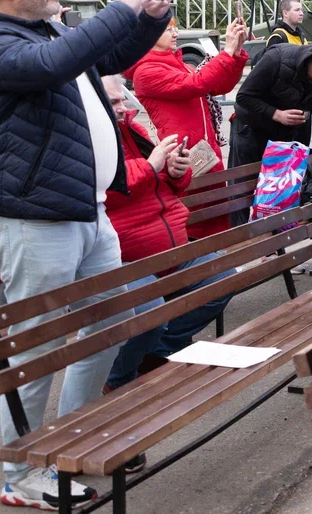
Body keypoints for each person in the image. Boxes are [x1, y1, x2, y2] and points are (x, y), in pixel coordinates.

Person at [0, 0, 171, 510]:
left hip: (87, 211)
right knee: (38, 347)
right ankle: (21, 474)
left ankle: (73, 441)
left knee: (113, 321)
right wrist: (122, 7)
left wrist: (151, 18)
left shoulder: (49, 34)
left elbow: (108, 56)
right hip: (35, 218)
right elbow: (56, 65)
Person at [101, 77, 234, 393]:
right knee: (151, 311)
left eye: (122, 99)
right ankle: (118, 380)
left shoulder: (133, 130)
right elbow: (108, 189)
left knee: (224, 277)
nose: (123, 107)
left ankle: (156, 353)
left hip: (170, 249)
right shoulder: (89, 140)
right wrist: (152, 165)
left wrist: (176, 171)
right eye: (113, 102)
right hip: (128, 259)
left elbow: (167, 187)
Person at [124, 15, 249, 237]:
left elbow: (218, 86)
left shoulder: (176, 64)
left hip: (204, 153)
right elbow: (197, 84)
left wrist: (236, 52)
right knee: (196, 223)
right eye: (168, 29)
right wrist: (227, 51)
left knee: (216, 218)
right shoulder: (146, 72)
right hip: (184, 158)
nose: (175, 34)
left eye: (175, 29)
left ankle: (219, 256)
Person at [230, 42, 312, 171]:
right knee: (247, 181)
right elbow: (243, 96)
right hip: (252, 130)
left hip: (290, 136)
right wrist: (276, 114)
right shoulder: (277, 59)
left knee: (287, 182)